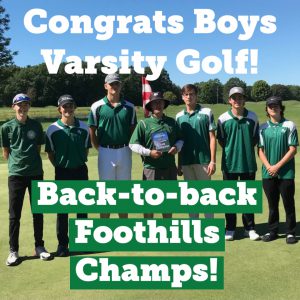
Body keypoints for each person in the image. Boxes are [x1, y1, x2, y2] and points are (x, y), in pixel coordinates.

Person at [0, 93, 51, 266]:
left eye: (25, 104)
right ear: (13, 107)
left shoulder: (36, 126)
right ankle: (13, 250)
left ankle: (39, 247)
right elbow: (6, 151)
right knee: (14, 215)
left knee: (38, 212)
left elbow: (37, 148)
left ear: (29, 107)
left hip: (36, 173)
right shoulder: (6, 127)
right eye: (19, 105)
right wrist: (18, 165)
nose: (22, 108)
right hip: (16, 176)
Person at [45, 95, 91, 256]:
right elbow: (50, 153)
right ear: (59, 109)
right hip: (62, 172)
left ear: (74, 108)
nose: (68, 109)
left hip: (80, 169)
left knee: (82, 209)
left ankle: (83, 243)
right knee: (63, 210)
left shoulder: (84, 128)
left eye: (71, 106)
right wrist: (60, 165)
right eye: (65, 106)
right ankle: (62, 245)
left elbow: (86, 150)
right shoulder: (52, 129)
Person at [88, 73, 137, 219]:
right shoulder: (97, 106)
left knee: (123, 193)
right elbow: (92, 130)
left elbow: (132, 130)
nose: (114, 86)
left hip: (124, 151)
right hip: (105, 151)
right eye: (111, 84)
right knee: (106, 193)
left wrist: (128, 147)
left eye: (117, 83)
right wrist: (99, 148)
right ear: (105, 86)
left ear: (120, 85)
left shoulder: (129, 107)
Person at [129, 91, 183, 218]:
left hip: (170, 167)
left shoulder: (172, 122)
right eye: (155, 103)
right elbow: (133, 145)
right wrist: (149, 152)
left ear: (164, 104)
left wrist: (176, 147)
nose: (158, 105)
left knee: (168, 203)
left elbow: (181, 139)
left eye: (160, 102)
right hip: (151, 169)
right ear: (151, 106)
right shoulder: (143, 123)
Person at [217, 87, 260, 241]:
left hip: (248, 163)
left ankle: (250, 228)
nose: (237, 100)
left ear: (244, 99)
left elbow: (255, 138)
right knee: (229, 198)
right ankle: (230, 228)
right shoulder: (222, 119)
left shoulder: (253, 117)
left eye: (240, 97)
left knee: (247, 197)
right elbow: (221, 139)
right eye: (234, 98)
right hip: (229, 164)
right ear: (229, 100)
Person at [258, 96, 298, 244]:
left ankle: (290, 232)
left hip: (286, 173)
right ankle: (273, 230)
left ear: (281, 108)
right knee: (272, 205)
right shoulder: (263, 127)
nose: (273, 108)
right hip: (267, 173)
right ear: (267, 109)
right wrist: (269, 166)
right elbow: (260, 150)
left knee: (288, 203)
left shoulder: (289, 125)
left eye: (276, 105)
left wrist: (277, 166)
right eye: (270, 106)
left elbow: (293, 149)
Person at [176, 84, 216, 219]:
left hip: (203, 161)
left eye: (192, 94)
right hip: (186, 162)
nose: (189, 97)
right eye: (186, 94)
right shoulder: (179, 116)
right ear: (182, 97)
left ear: (196, 95)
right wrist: (179, 163)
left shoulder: (206, 112)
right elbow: (179, 141)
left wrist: (213, 161)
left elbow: (212, 137)